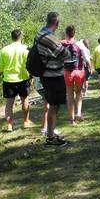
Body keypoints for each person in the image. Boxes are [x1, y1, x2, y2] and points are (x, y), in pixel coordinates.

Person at [35, 12, 71, 146]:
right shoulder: (49, 38)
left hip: (46, 75)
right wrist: (63, 49)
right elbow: (65, 54)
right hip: (53, 76)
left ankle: (51, 134)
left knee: (52, 106)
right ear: (56, 23)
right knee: (54, 106)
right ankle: (50, 137)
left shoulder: (39, 34)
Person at [0, 29, 32, 132]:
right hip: (23, 79)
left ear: (11, 37)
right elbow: (30, 65)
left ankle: (9, 125)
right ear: (21, 37)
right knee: (24, 100)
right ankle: (26, 122)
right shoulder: (26, 49)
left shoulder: (4, 50)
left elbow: (0, 69)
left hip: (8, 80)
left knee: (9, 104)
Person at [61, 26, 86, 125]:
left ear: (66, 33)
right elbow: (86, 57)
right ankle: (78, 113)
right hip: (79, 71)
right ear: (74, 33)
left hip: (67, 72)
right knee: (79, 92)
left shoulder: (61, 44)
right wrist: (89, 65)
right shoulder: (79, 44)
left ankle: (71, 119)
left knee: (70, 95)